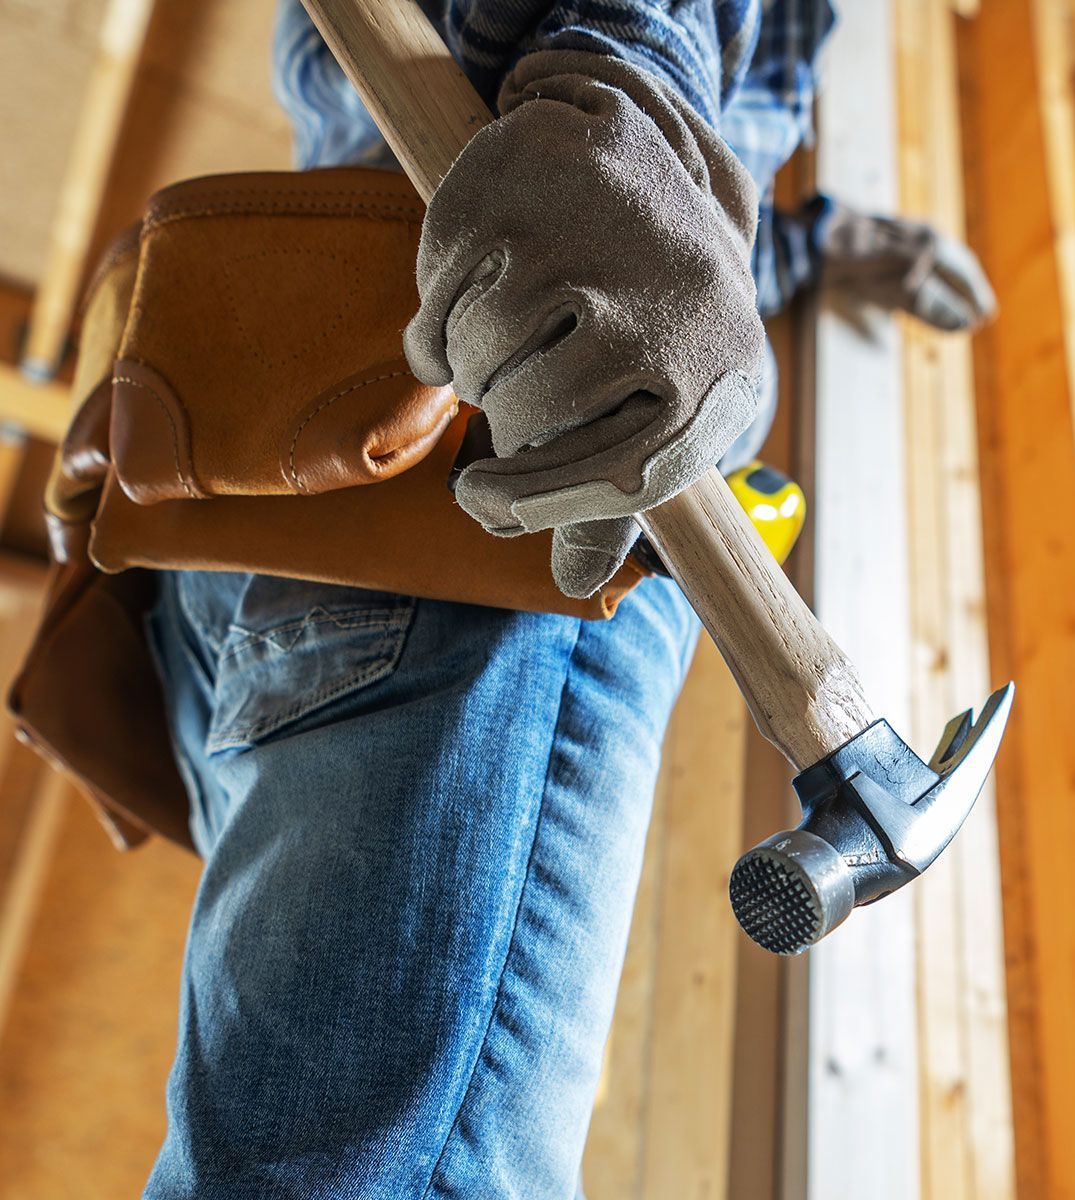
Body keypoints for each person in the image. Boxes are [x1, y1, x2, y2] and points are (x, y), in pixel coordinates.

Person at [140, 2, 992, 1195]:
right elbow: (590, 155)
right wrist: (625, 114)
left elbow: (537, 148)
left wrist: (808, 237)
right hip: (492, 527)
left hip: (276, 499)